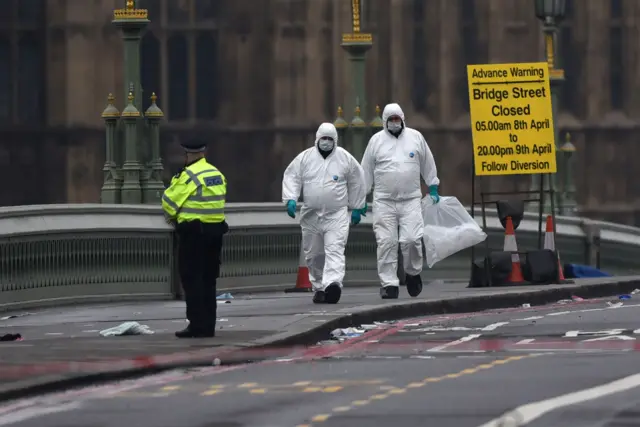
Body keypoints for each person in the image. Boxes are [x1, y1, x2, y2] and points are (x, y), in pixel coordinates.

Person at [361, 103, 440, 300]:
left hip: (411, 199)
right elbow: (366, 171)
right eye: (391, 119)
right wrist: (360, 198)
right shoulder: (376, 142)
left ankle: (412, 273)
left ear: (403, 119)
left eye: (397, 119)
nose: (395, 123)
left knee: (412, 239)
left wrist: (432, 185)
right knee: (386, 242)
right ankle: (389, 284)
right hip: (384, 201)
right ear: (385, 122)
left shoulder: (415, 138)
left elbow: (427, 162)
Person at [282, 123, 367, 304]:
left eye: (330, 139)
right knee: (314, 255)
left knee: (335, 249)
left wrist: (358, 205)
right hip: (311, 216)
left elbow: (357, 180)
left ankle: (333, 284)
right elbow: (292, 176)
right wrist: (290, 198)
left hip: (336, 215)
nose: (326, 142)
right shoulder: (305, 158)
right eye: (323, 139)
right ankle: (320, 286)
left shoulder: (345, 159)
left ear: (335, 140)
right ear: (317, 139)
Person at [162, 140, 229, 338]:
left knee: (192, 279)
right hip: (216, 232)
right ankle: (208, 325)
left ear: (188, 154)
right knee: (209, 280)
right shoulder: (216, 174)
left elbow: (169, 204)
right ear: (204, 152)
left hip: (194, 233)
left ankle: (197, 325)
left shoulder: (189, 175)